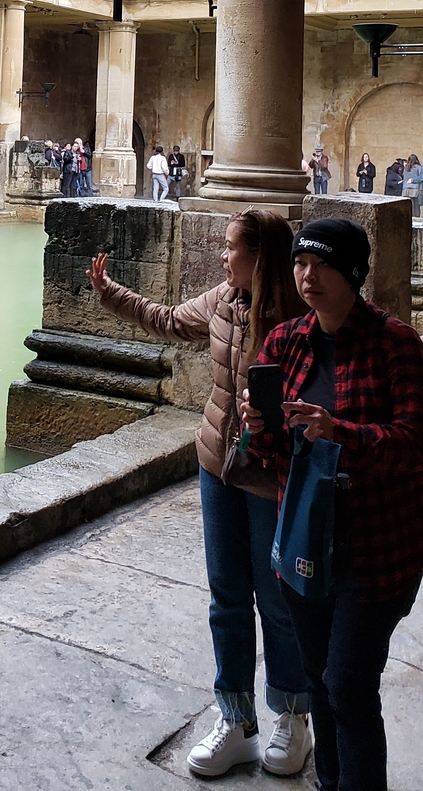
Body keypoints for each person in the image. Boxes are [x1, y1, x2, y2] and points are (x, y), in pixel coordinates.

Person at [88, 211, 312, 778]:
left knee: (277, 598)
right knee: (227, 596)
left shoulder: (299, 320)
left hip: (271, 475)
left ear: (259, 259)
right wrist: (109, 293)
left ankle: (291, 715)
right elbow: (165, 320)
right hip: (218, 466)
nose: (221, 257)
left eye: (231, 249)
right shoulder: (221, 299)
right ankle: (235, 719)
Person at [242, 218, 423, 791]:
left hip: (377, 550)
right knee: (320, 678)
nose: (306, 275)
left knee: (348, 683)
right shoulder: (285, 341)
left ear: (352, 272)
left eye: (321, 264)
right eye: (300, 263)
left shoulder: (395, 343)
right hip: (304, 543)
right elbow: (275, 457)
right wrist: (259, 427)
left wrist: (338, 431)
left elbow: (414, 445)